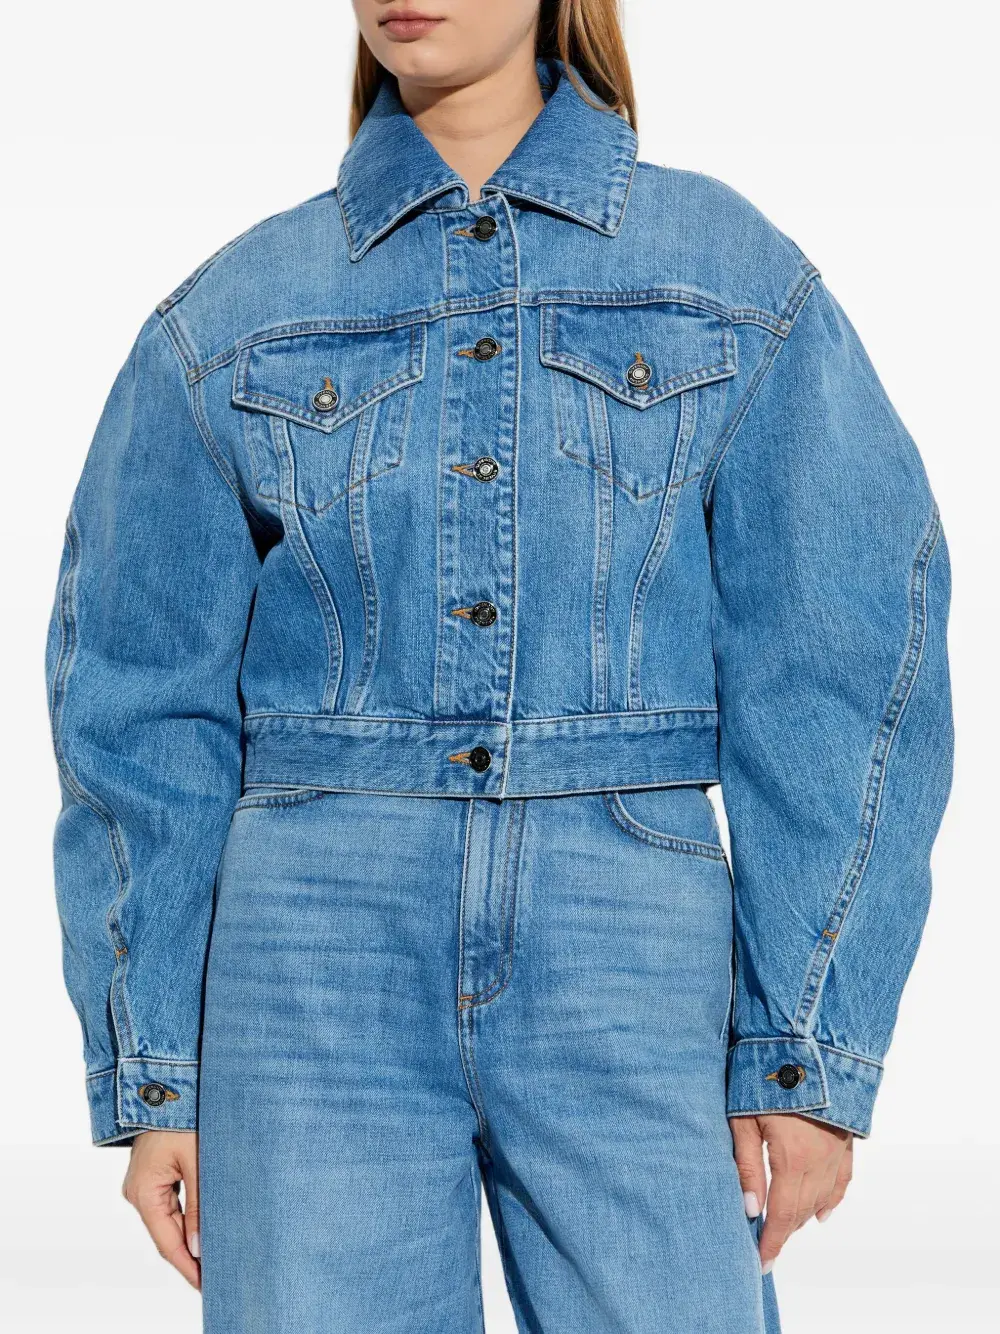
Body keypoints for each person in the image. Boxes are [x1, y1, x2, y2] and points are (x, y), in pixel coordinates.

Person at [45, 1, 953, 1330]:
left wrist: (804, 1049)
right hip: (307, 967)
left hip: (630, 942)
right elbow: (136, 701)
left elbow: (843, 659)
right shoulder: (239, 307)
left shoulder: (728, 274)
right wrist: (157, 1069)